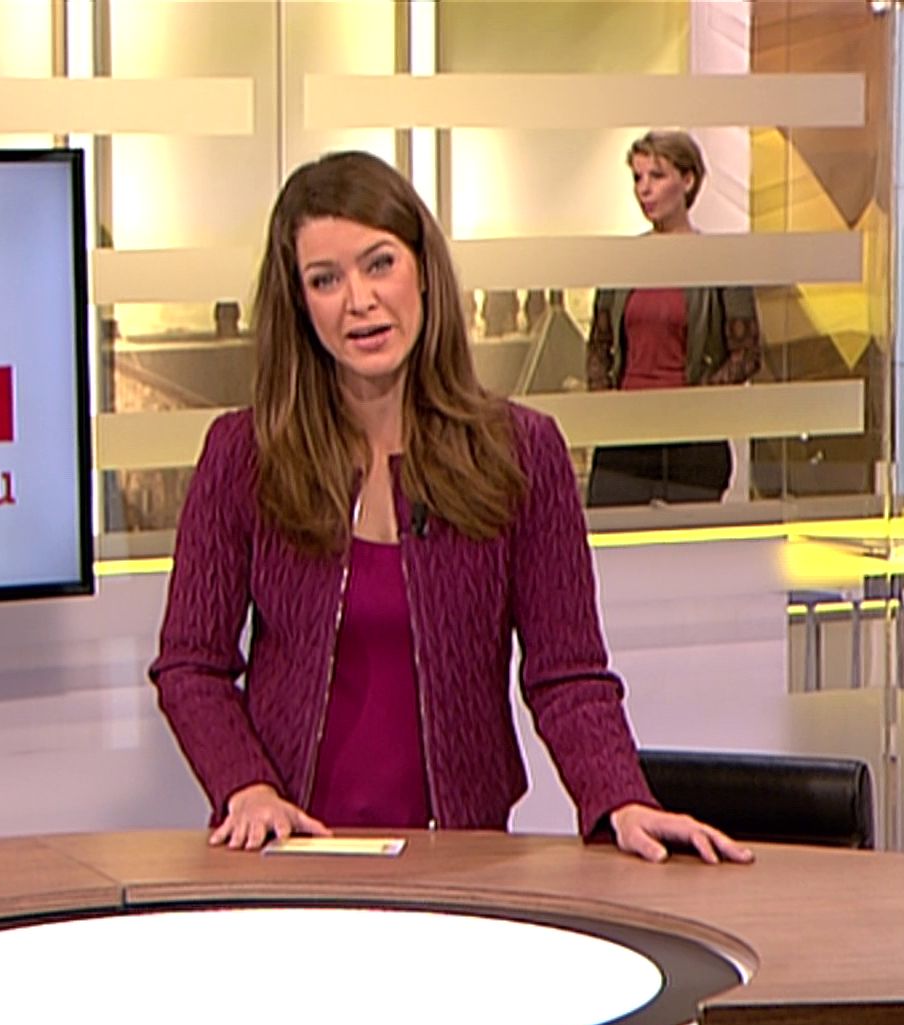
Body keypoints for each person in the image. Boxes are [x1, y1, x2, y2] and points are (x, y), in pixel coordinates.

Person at [149, 149, 752, 866]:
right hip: (294, 854)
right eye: (325, 279)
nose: (359, 301)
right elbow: (191, 665)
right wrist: (245, 787)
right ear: (299, 304)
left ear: (424, 272)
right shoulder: (243, 456)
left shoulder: (521, 451)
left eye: (379, 264)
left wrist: (621, 796)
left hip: (464, 856)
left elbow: (567, 674)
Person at [585, 129, 763, 506]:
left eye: (656, 176)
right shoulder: (623, 261)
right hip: (626, 436)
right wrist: (606, 408)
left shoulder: (719, 262)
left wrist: (692, 406)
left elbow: (747, 354)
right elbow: (598, 347)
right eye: (638, 178)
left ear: (687, 180)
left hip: (691, 440)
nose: (644, 189)